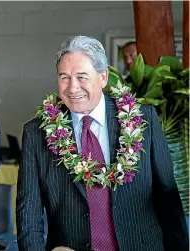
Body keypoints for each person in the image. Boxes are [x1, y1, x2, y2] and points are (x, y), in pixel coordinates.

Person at [16, 35, 189, 251]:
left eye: (82, 77)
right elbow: (28, 213)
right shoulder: (36, 132)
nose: (73, 87)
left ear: (103, 77)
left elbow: (168, 200)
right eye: (64, 78)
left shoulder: (143, 120)